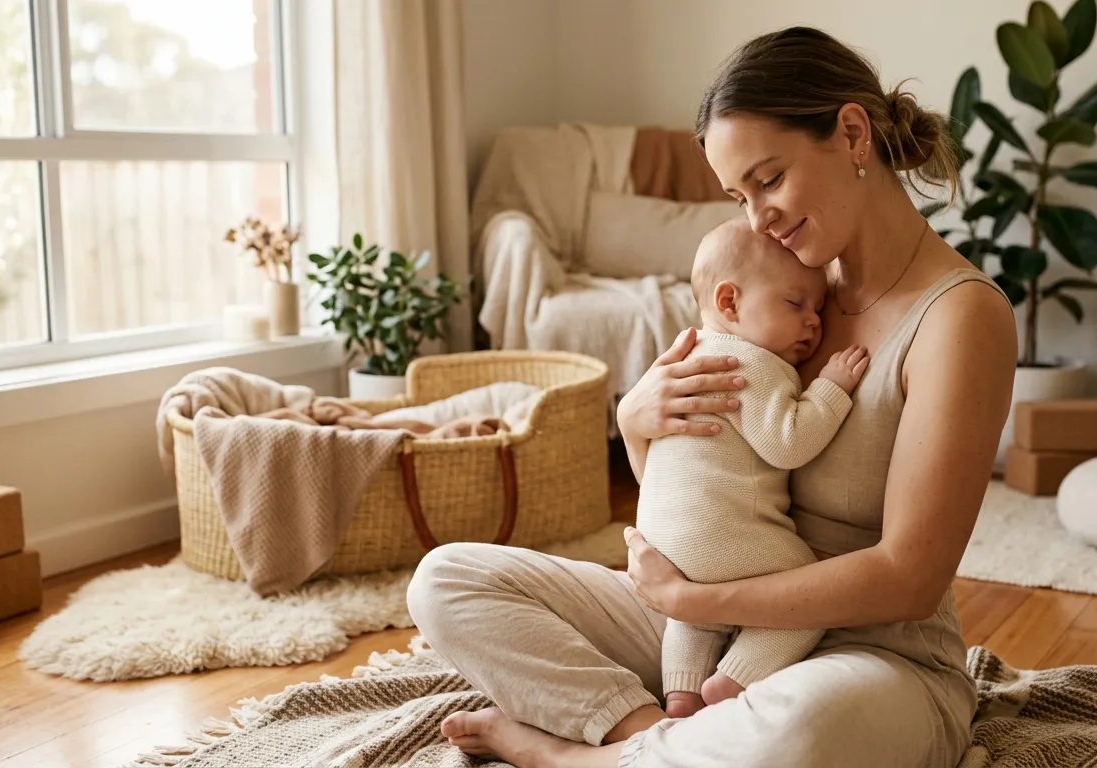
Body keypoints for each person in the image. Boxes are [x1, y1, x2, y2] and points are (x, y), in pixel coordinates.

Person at [407, 24, 1018, 768]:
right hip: (707, 619)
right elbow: (701, 492)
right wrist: (637, 423)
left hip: (871, 657)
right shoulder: (785, 296)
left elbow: (909, 580)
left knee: (799, 734)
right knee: (448, 581)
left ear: (853, 134)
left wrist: (693, 605)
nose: (757, 219)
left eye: (768, 180)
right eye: (738, 196)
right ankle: (649, 736)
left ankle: (571, 756)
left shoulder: (960, 318)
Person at [641, 217, 869, 719]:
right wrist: (830, 389)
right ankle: (735, 680)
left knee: (694, 612)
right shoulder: (750, 362)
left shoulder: (689, 359)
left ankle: (680, 693)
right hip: (719, 532)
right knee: (808, 595)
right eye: (794, 303)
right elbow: (787, 443)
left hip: (664, 537)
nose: (813, 321)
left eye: (816, 307)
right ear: (729, 303)